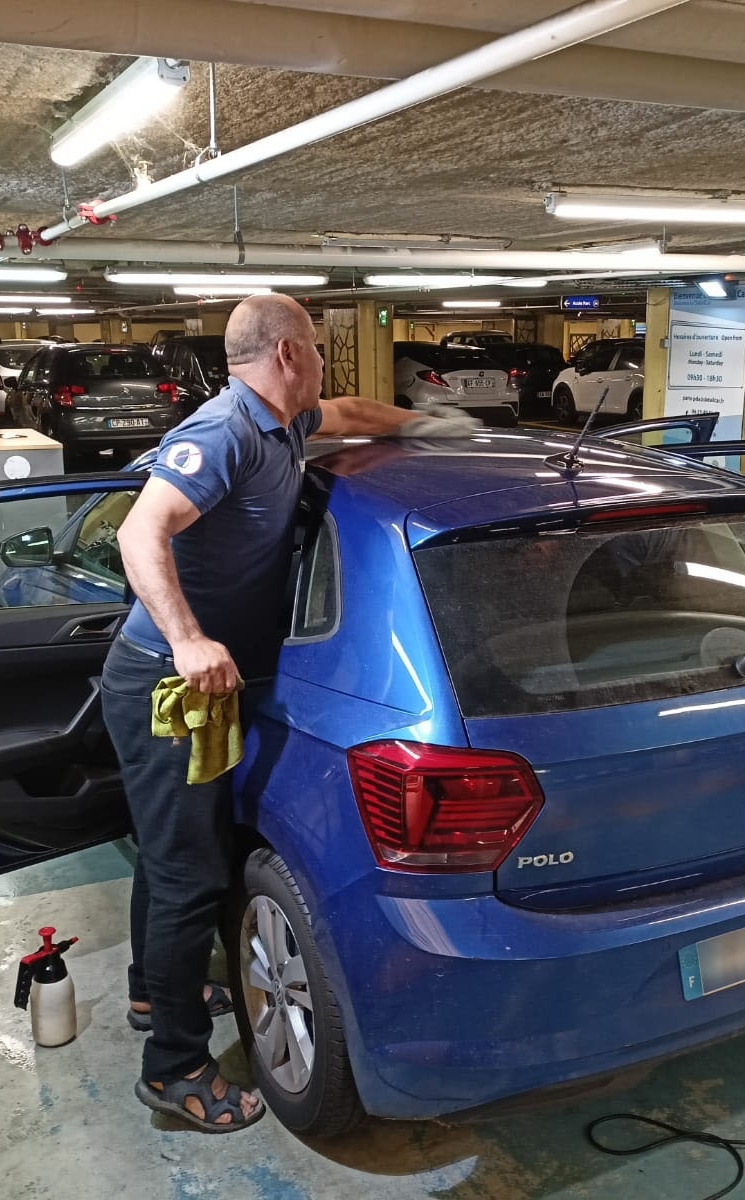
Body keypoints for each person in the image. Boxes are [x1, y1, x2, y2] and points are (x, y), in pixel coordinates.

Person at [103, 295, 458, 1132]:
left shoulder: (284, 422)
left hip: (209, 683)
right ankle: (176, 1068)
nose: (326, 368)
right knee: (191, 872)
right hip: (167, 682)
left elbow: (350, 413)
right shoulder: (225, 432)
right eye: (321, 352)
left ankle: (155, 995)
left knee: (169, 854)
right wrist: (189, 638)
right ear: (291, 354)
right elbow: (139, 531)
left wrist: (427, 426)